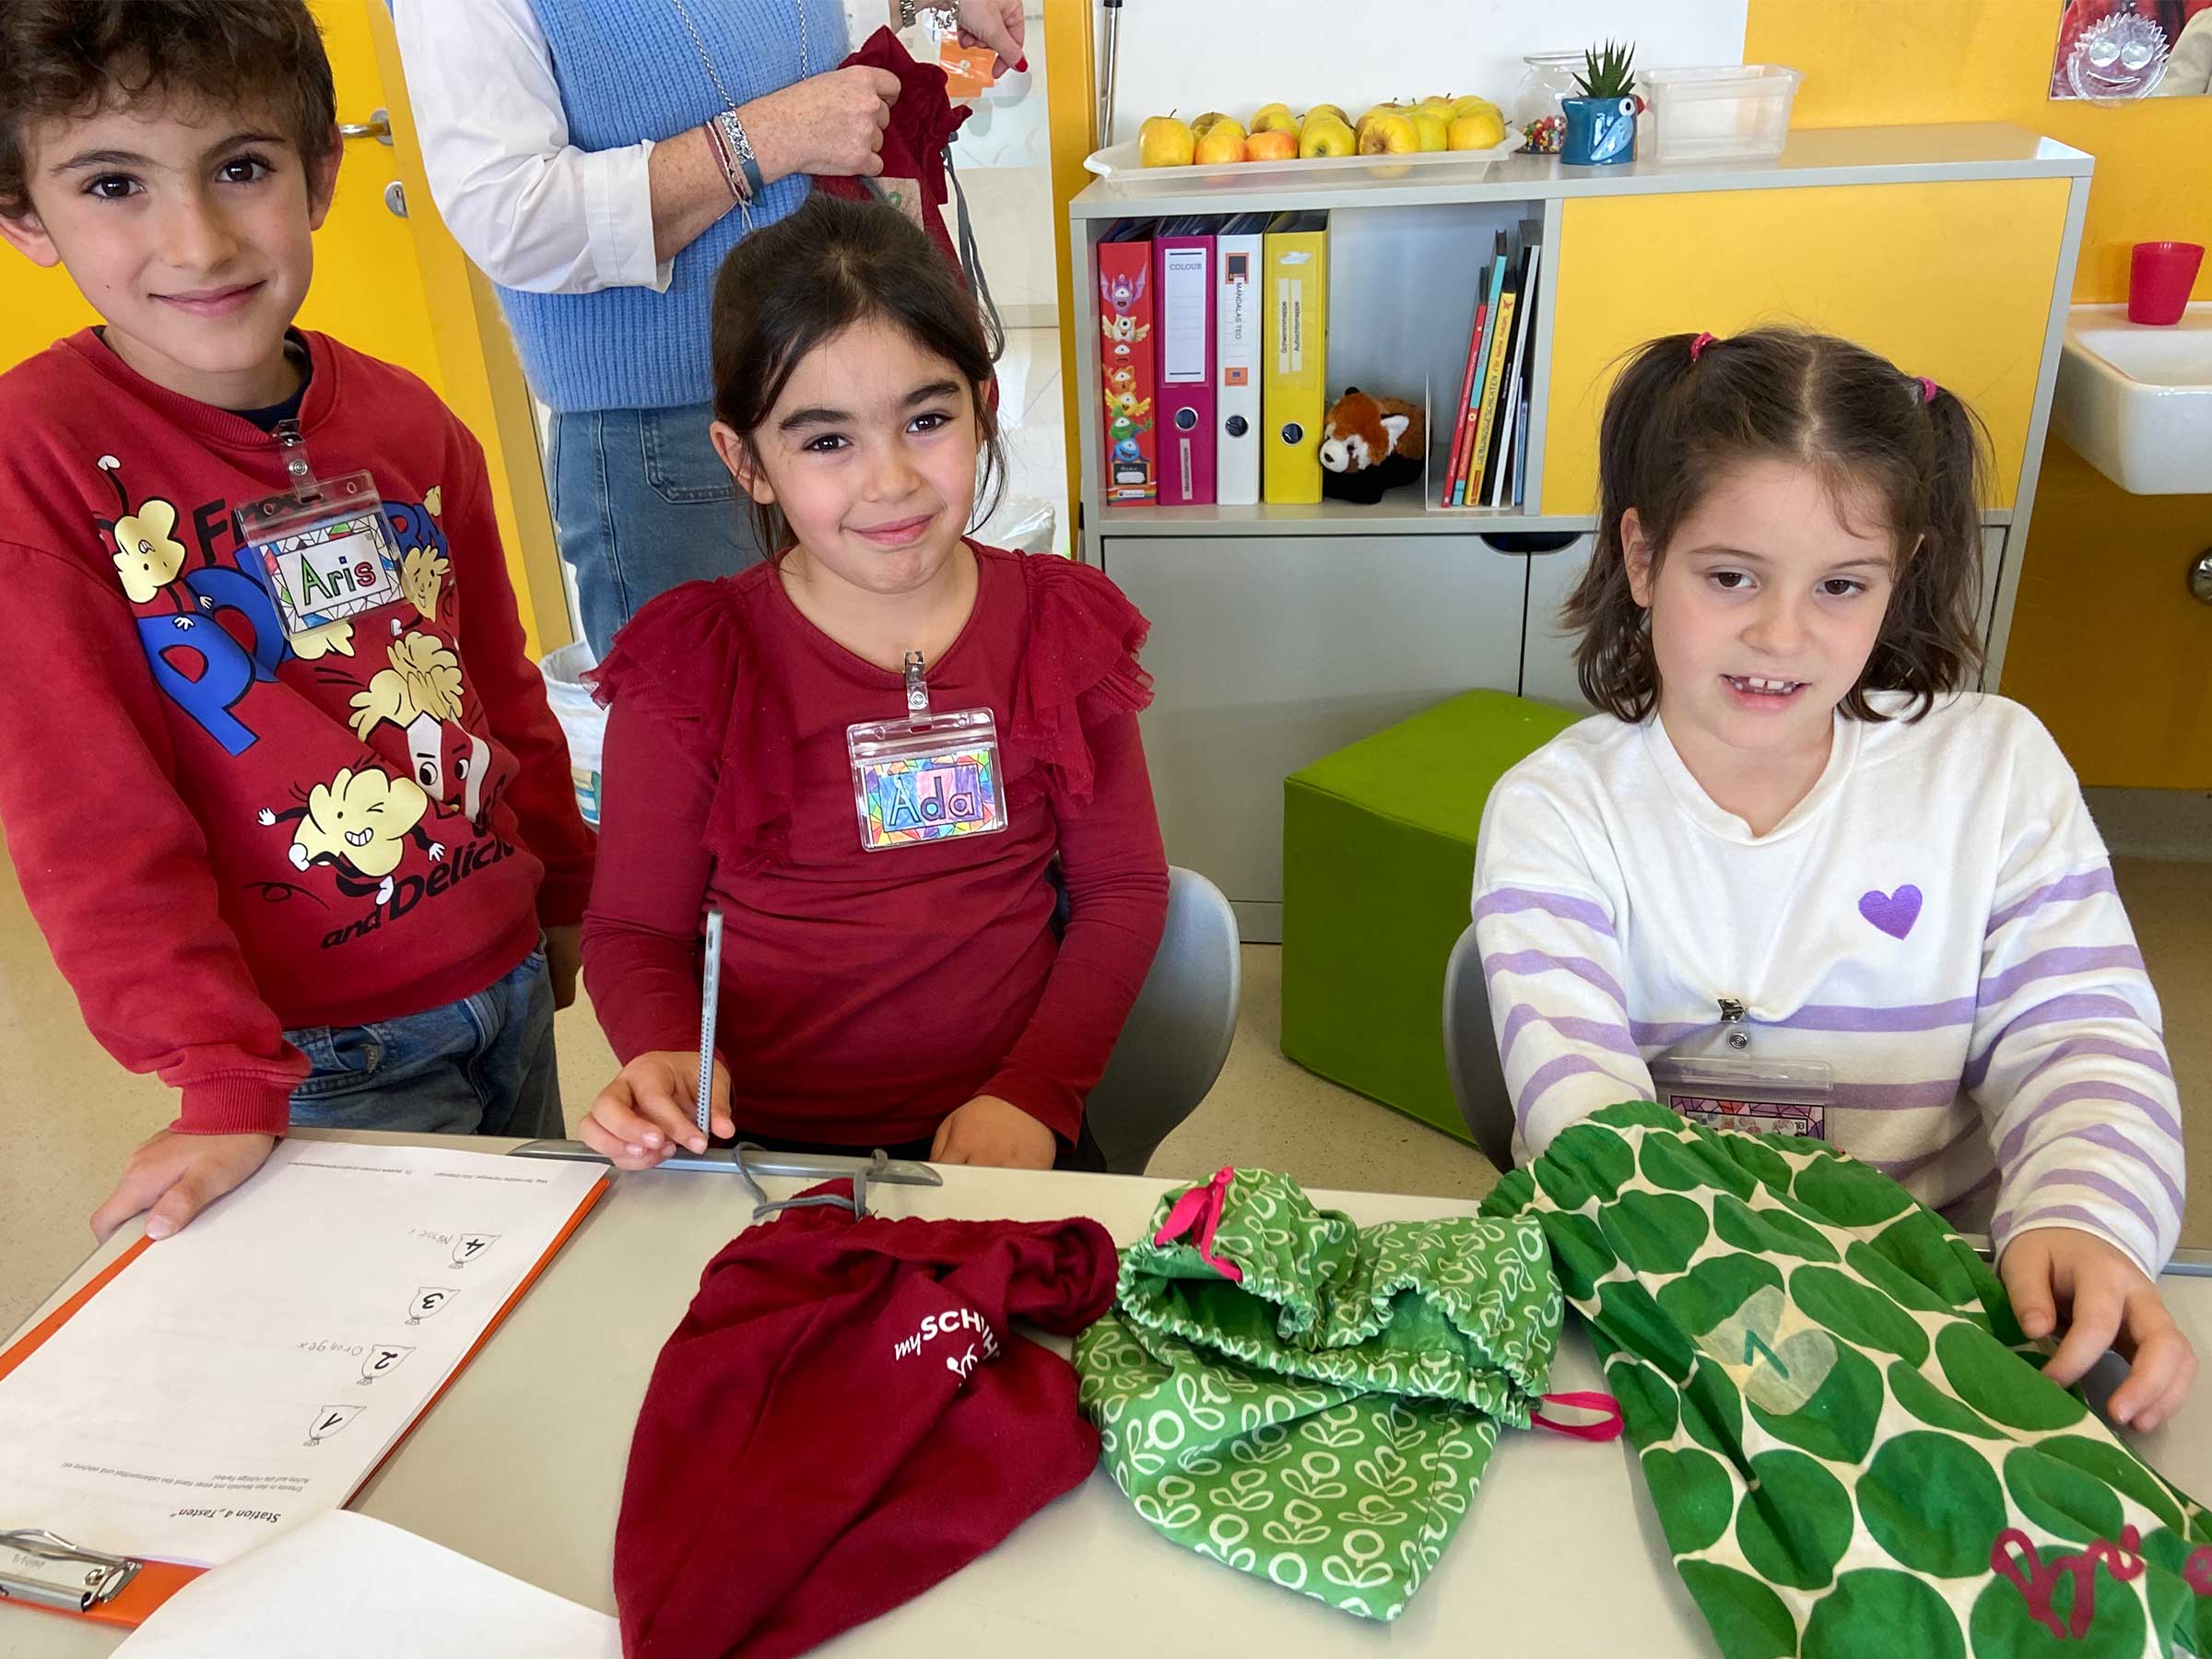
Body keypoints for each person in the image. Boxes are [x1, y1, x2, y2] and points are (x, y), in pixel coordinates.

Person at [1471, 327, 2194, 1430]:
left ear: (1898, 576)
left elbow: (2082, 1038)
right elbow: (1590, 1126)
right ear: (1643, 557)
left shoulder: (1995, 769)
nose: (1782, 634)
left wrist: (2088, 1218)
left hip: (1939, 1297)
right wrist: (1775, 1338)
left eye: (1842, 585)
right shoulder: (1556, 810)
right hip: (1656, 1292)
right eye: (1730, 577)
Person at [0, 0, 595, 1241]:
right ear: (24, 215)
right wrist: (218, 1072)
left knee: (535, 1278)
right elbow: (87, 814)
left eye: (241, 167)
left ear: (321, 174)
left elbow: (493, 673)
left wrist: (564, 883)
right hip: (316, 1051)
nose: (199, 240)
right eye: (113, 184)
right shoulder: (37, 461)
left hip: (505, 969)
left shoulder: (411, 419)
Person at [581, 194, 1167, 1172]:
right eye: (827, 441)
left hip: (1009, 1124)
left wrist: (1034, 1092)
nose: (891, 481)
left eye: (927, 420)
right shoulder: (691, 668)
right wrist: (666, 1051)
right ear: (746, 461)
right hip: (761, 1155)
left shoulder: (1060, 626)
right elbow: (635, 928)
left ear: (983, 406)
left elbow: (1123, 891)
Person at [393, 0, 1027, 661]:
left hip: (861, 370)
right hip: (677, 430)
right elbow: (511, 214)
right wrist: (767, 138)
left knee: (884, 693)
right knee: (715, 704)